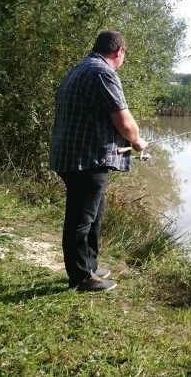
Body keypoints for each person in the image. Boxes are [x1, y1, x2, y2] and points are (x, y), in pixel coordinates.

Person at [49, 31, 148, 292]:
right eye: (124, 55)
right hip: (86, 159)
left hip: (75, 155)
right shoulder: (103, 72)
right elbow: (124, 121)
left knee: (94, 213)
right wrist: (137, 141)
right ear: (119, 52)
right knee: (81, 219)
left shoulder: (82, 67)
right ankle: (81, 277)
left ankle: (89, 265)